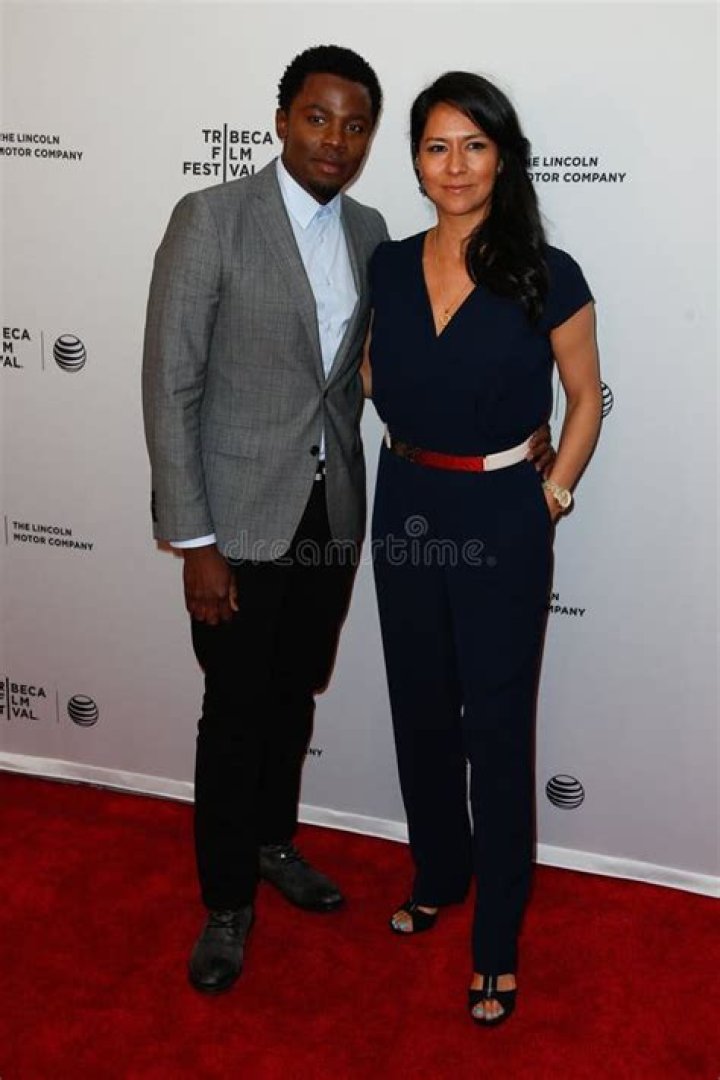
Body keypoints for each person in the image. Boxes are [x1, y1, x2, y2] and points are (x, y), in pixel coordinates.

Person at [143, 47, 553, 996]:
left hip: (332, 517)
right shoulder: (211, 218)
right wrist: (195, 542)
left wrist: (514, 425)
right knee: (235, 709)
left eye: (356, 124)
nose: (336, 139)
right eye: (318, 117)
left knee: (292, 696)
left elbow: (387, 368)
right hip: (237, 521)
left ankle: (274, 843)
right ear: (282, 119)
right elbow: (170, 386)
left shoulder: (372, 235)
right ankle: (226, 902)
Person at [366, 71, 602, 1026]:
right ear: (416, 161)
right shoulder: (387, 265)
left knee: (496, 731)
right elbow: (372, 373)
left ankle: (497, 937)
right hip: (406, 505)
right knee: (420, 709)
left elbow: (584, 399)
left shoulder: (548, 271)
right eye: (437, 146)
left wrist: (552, 493)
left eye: (474, 145)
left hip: (504, 513)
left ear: (503, 159)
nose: (455, 165)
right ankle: (438, 872)